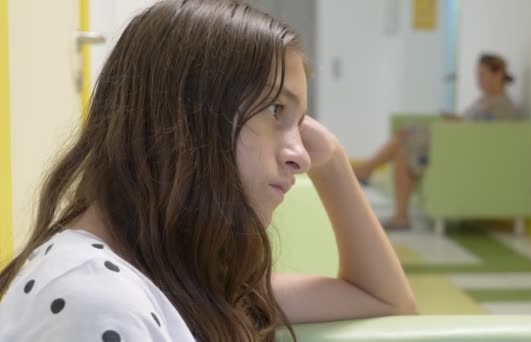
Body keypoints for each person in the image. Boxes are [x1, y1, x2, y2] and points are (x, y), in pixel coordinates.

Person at [0, 1, 416, 341]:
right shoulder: (94, 299)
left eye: (301, 123)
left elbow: (384, 299)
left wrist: (335, 163)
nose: (301, 156)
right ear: (186, 114)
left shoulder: (173, 271)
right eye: (276, 110)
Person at [353, 53, 522, 229]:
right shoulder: (482, 101)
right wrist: (456, 119)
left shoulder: (503, 105)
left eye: (483, 74)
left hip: (462, 152)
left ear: (499, 74)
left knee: (405, 136)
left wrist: (460, 123)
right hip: (453, 144)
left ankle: (367, 169)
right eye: (477, 74)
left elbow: (487, 137)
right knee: (402, 151)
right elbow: (471, 123)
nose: (478, 80)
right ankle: (400, 215)